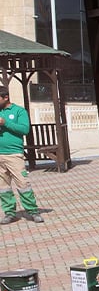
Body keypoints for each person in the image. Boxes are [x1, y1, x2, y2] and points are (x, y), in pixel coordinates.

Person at [0, 86, 44, 224]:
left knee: (23, 183)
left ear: (5, 97)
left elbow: (24, 129)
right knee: (3, 186)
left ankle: (33, 211)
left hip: (14, 155)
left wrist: (5, 122)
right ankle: (9, 213)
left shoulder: (19, 111)